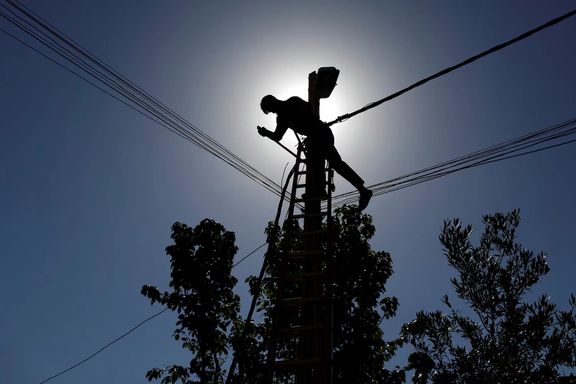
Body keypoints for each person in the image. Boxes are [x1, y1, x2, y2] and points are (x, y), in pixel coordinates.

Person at [257, 94, 372, 211]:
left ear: (273, 102)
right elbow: (277, 136)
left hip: (320, 133)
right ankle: (362, 190)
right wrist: (266, 133)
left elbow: (309, 108)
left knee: (316, 161)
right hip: (318, 136)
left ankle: (320, 191)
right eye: (270, 111)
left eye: (271, 109)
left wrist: (296, 117)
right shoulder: (282, 117)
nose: (273, 112)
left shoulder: (292, 102)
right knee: (336, 163)